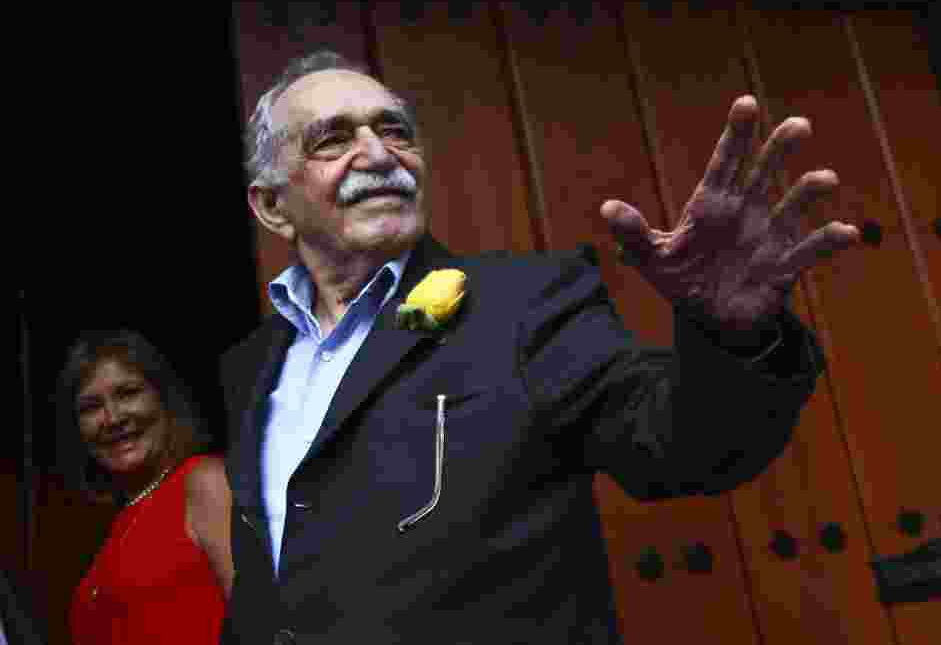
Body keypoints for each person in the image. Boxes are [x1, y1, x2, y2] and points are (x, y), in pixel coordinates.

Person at [219, 51, 860, 643]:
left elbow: (678, 445)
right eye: (333, 139)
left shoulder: (526, 303)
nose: (380, 154)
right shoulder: (247, 366)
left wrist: (729, 336)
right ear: (273, 206)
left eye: (395, 131)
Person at [59, 330, 233, 644]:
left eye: (128, 393)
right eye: (90, 407)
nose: (111, 418)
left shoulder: (203, 483)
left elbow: (263, 622)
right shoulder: (113, 526)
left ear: (163, 398)